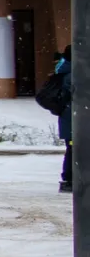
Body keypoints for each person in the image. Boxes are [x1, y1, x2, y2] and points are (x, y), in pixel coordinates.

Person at [58, 47, 73, 193]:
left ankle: (69, 179)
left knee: (72, 149)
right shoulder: (73, 74)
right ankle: (69, 179)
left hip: (69, 119)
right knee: (74, 149)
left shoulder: (66, 71)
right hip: (74, 120)